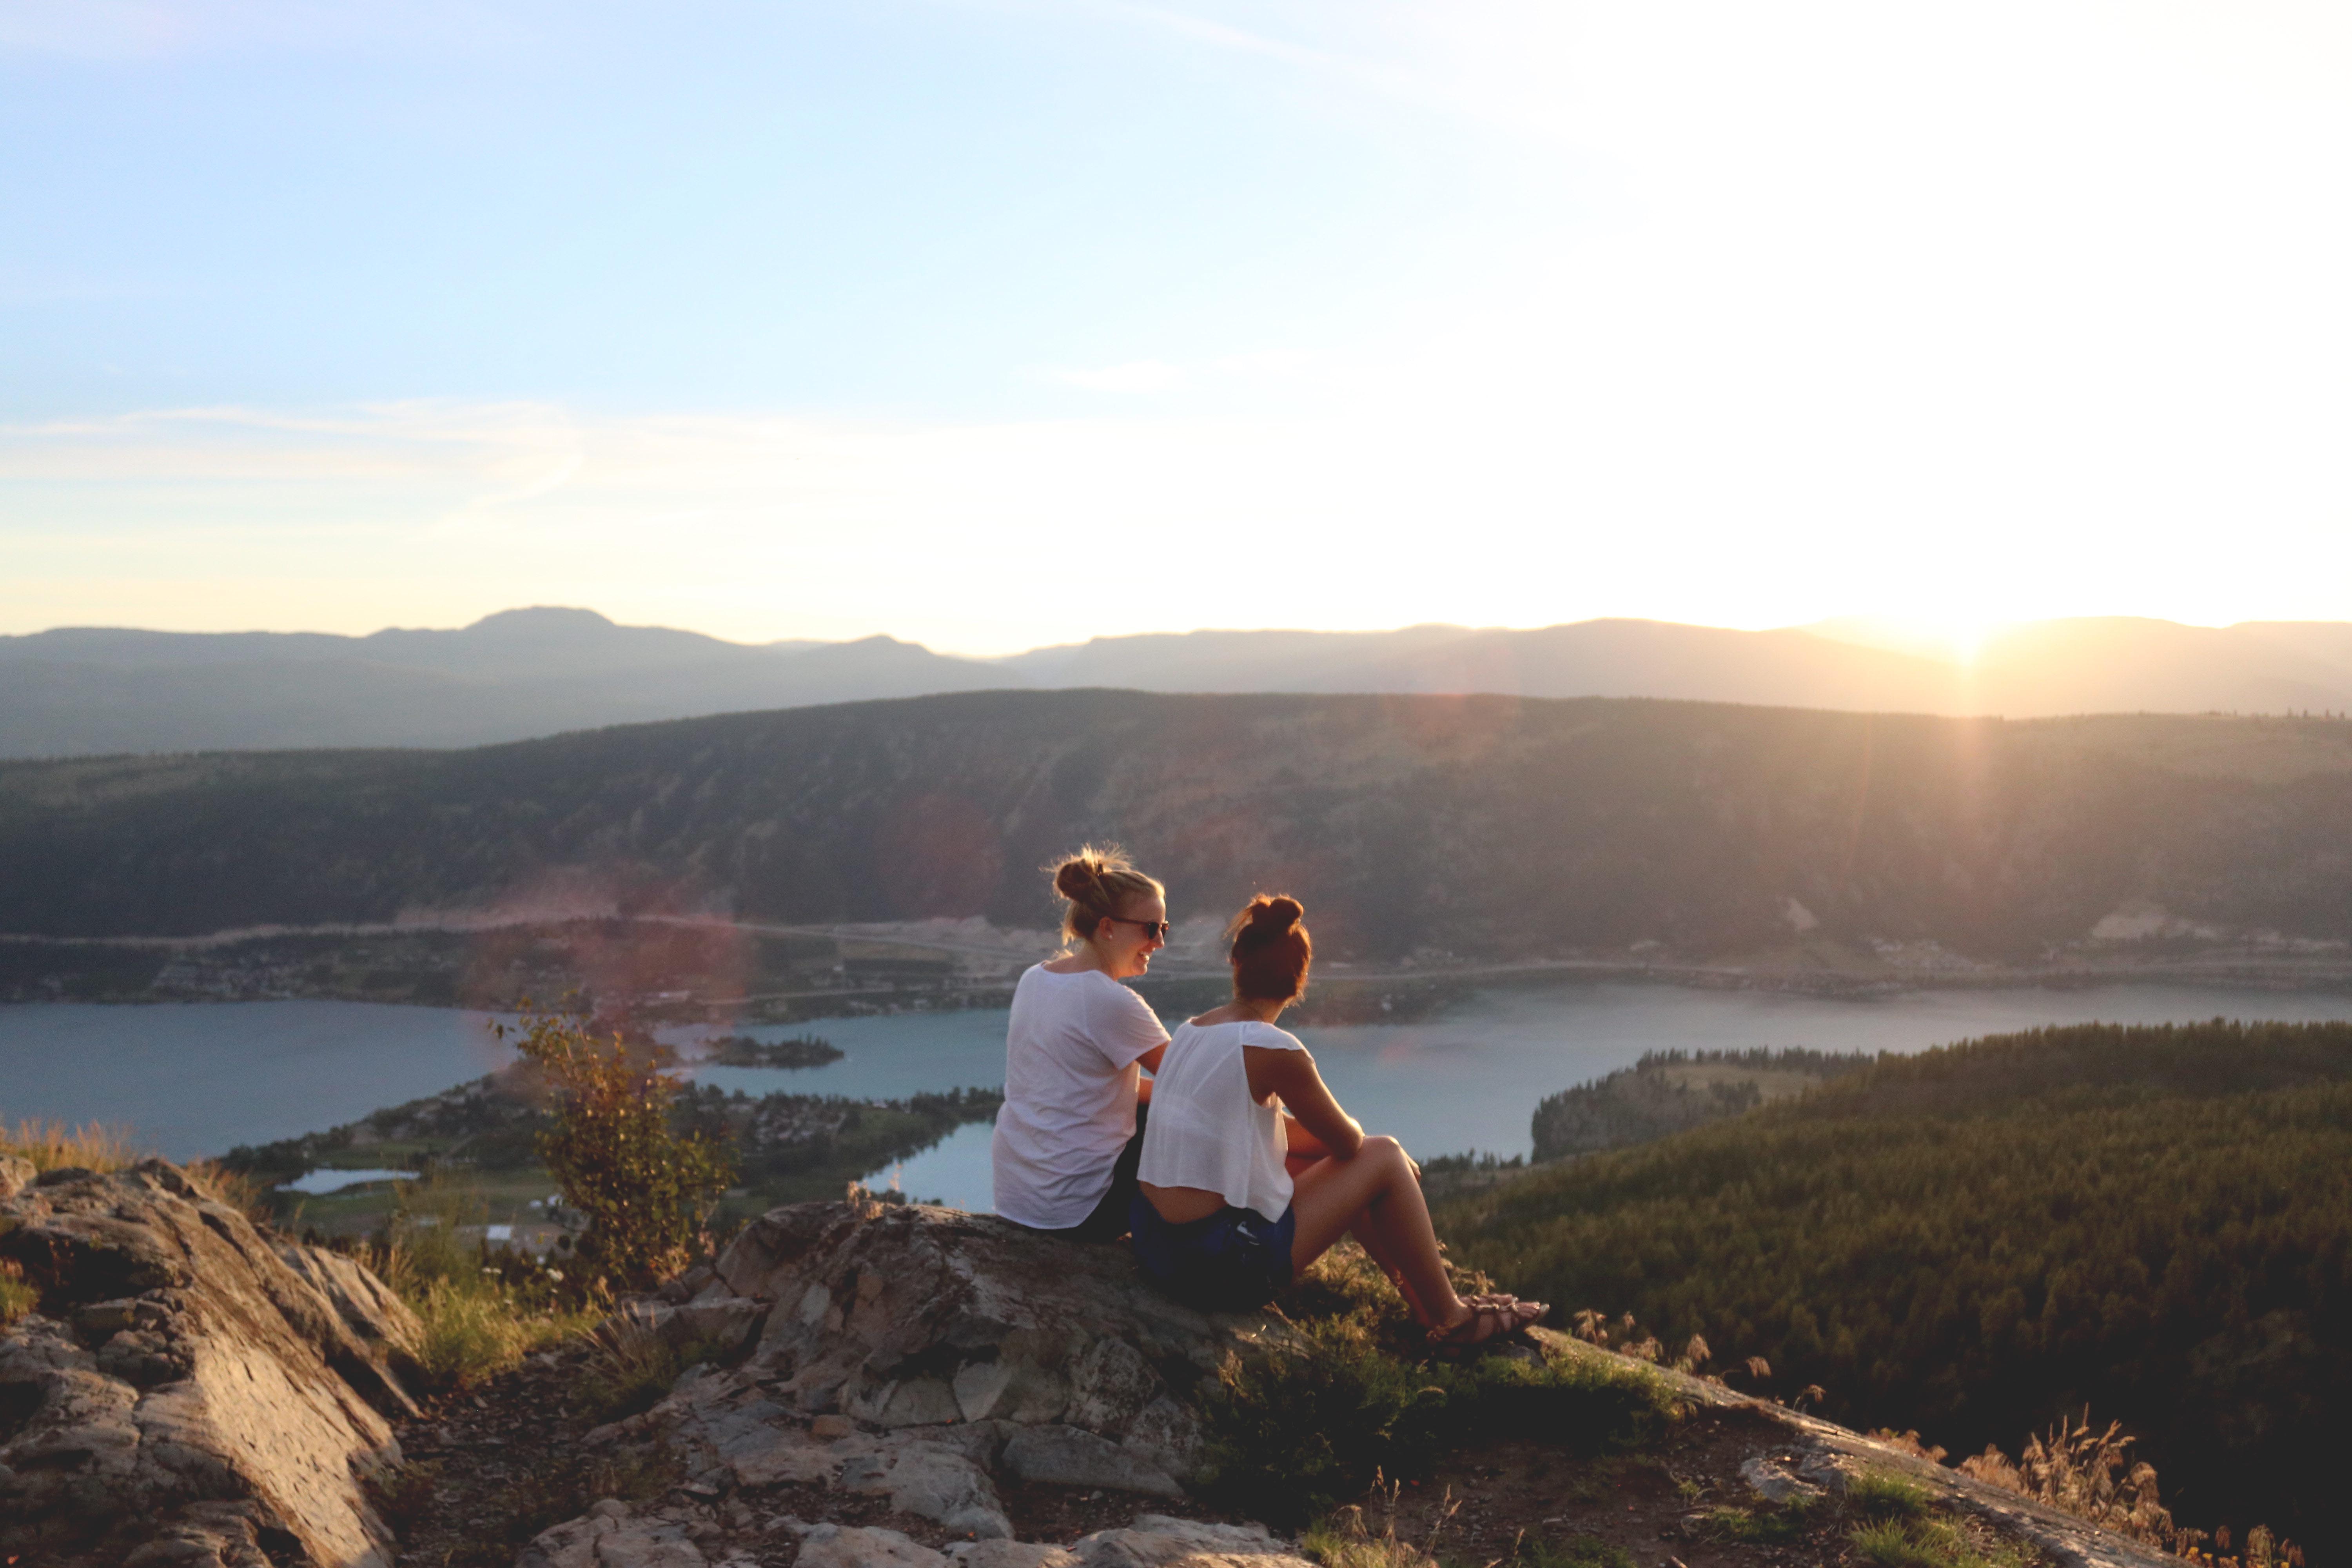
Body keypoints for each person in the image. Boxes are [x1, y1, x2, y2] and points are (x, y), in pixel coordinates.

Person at [1132, 894, 1545, 1347]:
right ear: (1299, 981)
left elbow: (1276, 1134)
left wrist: (1349, 1165)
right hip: (1216, 1268)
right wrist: (1374, 1162)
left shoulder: (1192, 1031)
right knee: (1386, 1155)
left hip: (1158, 1246)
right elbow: (1348, 1143)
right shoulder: (1273, 1048)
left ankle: (1429, 1308)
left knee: (1358, 1165)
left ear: (1237, 961)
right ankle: (1453, 1318)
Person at [990, 844, 1173, 1241]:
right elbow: (1198, 1081)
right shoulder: (1111, 1001)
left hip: (1018, 1199)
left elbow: (1078, 1087)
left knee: (1165, 1106)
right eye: (1150, 929)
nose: (1159, 942)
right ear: (1107, 927)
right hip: (1078, 1212)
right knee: (1194, 1120)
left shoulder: (1035, 978)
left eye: (1164, 928)